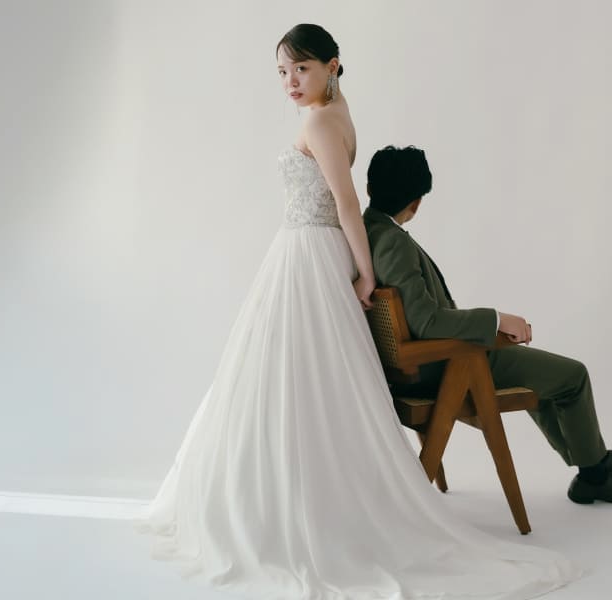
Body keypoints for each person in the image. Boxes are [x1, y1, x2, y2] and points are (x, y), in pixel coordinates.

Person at [136, 24, 580, 599]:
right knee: (303, 378)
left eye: (302, 68)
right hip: (312, 250)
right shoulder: (338, 113)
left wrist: (366, 273)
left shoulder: (319, 122)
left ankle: (293, 501)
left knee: (287, 379)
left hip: (307, 253)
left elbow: (346, 202)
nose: (290, 82)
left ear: (333, 65)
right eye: (282, 72)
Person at [363, 145, 612, 504]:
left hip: (430, 362)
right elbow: (427, 320)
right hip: (448, 366)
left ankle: (596, 464)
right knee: (573, 377)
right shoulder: (392, 242)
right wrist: (498, 320)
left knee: (543, 379)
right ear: (416, 202)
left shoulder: (367, 231)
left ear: (370, 188)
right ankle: (595, 475)